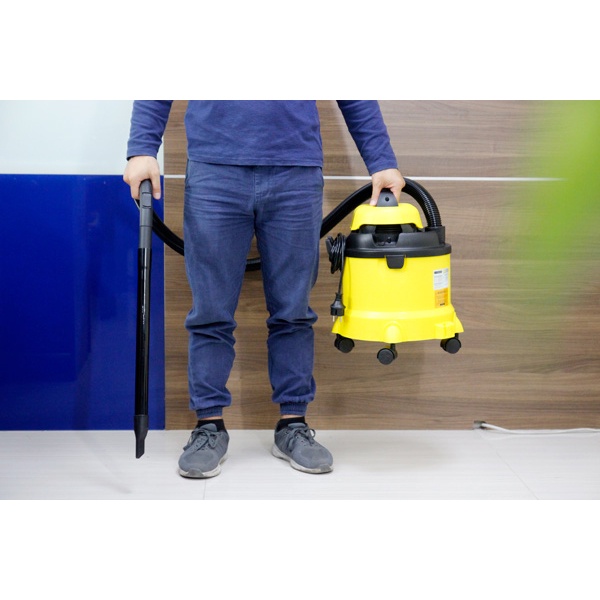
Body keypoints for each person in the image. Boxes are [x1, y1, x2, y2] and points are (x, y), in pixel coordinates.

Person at [124, 100, 404, 478]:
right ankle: (209, 426)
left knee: (293, 311)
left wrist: (382, 160)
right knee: (210, 311)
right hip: (215, 168)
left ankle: (292, 425)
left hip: (295, 170)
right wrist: (142, 148)